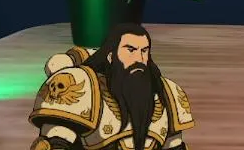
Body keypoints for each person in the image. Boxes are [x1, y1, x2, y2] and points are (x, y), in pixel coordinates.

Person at [28, 22, 195, 149]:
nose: (139, 58)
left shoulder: (167, 93)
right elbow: (56, 142)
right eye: (130, 50)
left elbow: (174, 146)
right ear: (110, 56)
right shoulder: (82, 85)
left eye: (144, 51)